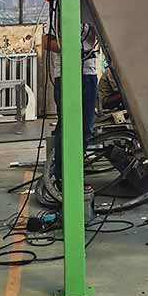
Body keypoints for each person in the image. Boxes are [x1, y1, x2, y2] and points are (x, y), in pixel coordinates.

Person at [44, 14, 99, 188]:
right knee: (67, 127)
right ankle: (62, 177)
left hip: (88, 72)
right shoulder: (59, 11)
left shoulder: (94, 9)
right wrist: (72, 47)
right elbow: (46, 42)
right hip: (66, 74)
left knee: (86, 128)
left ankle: (75, 172)